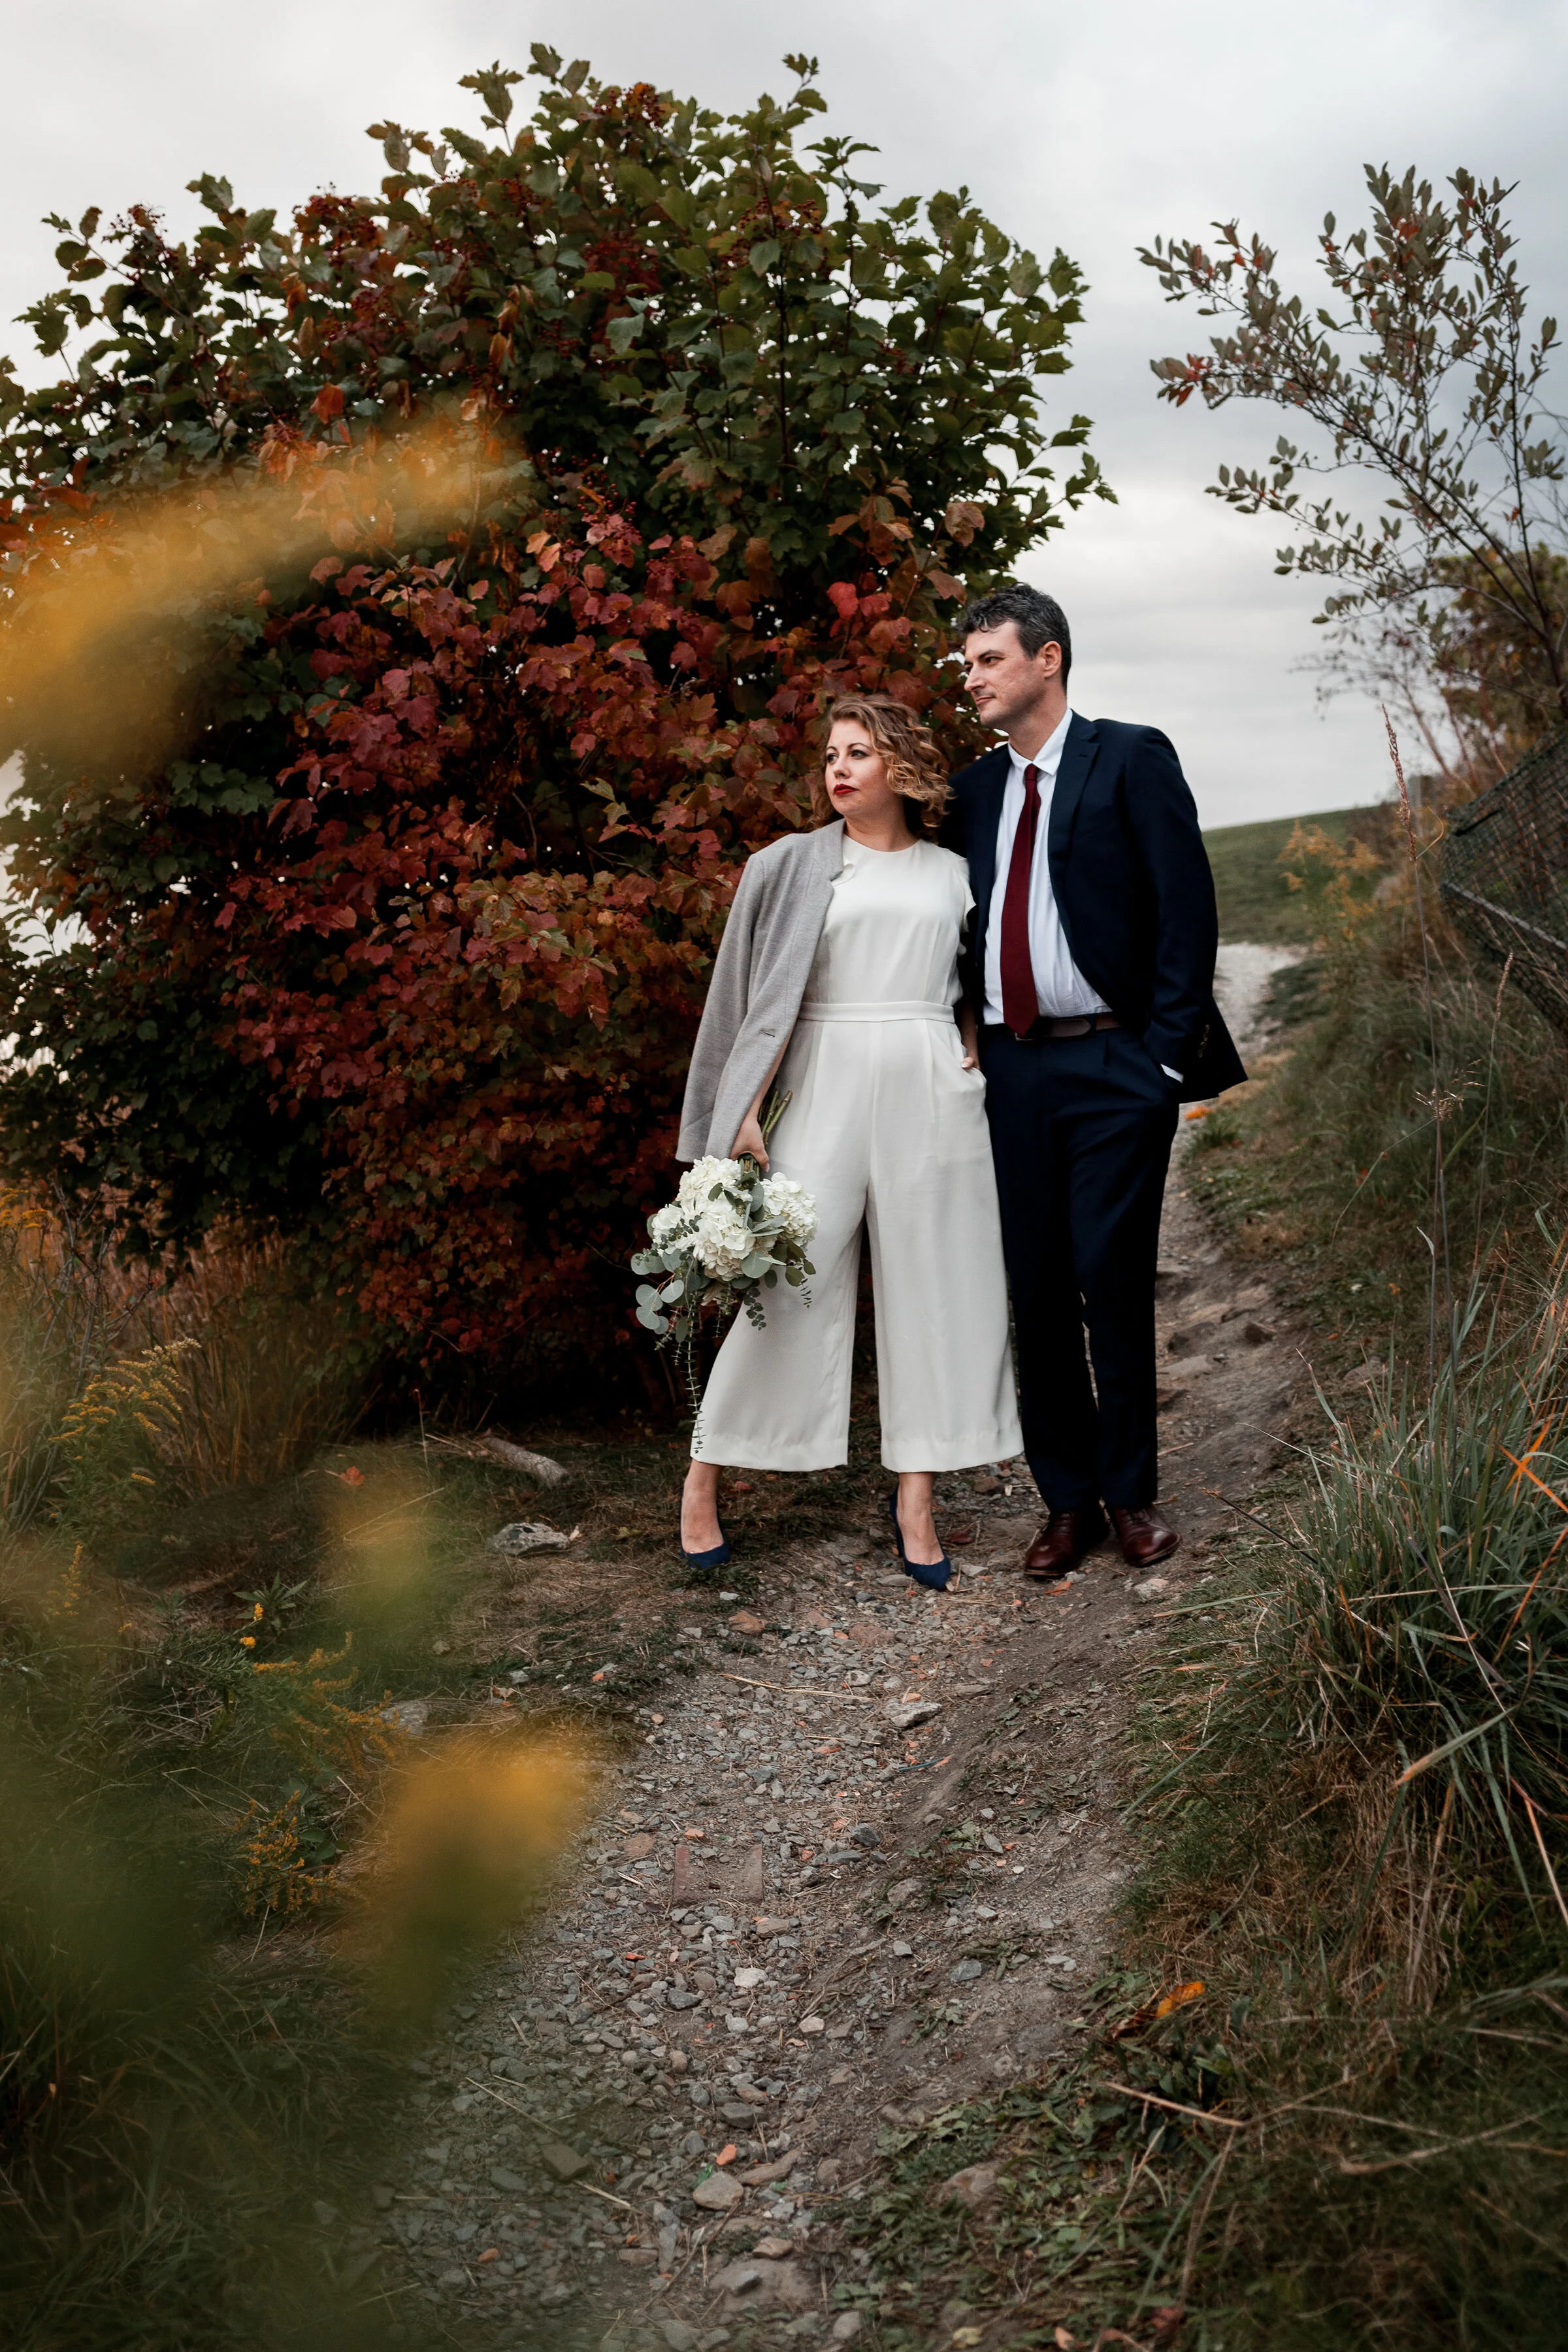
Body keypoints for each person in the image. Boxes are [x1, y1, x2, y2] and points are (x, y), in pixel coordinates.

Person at [674, 694, 1023, 1591]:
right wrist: (739, 1107)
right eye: (831, 753)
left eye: (859, 753)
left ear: (900, 768)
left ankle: (917, 1499)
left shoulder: (955, 872)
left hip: (930, 1086)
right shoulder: (788, 866)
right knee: (789, 1280)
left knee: (941, 1285)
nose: (838, 768)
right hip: (818, 1076)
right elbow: (739, 1001)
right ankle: (705, 1477)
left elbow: (975, 980)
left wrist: (974, 1048)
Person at [943, 582, 1245, 1580]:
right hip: (1014, 1071)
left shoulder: (1130, 756)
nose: (973, 676)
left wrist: (1160, 1057)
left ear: (1048, 659)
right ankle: (1065, 1504)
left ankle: (1130, 1496)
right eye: (969, 660)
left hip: (1116, 1062)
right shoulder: (974, 791)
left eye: (989, 658)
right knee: (1035, 1289)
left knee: (1109, 1277)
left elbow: (1185, 910)